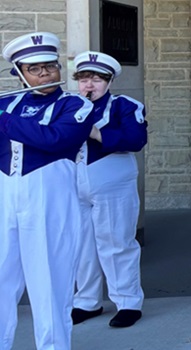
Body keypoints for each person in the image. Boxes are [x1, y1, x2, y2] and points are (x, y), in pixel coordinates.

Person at [0, 31, 94, 350]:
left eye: (50, 66)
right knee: (1, 278)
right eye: (35, 69)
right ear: (20, 74)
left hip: (49, 194)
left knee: (49, 279)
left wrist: (5, 122)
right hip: (5, 193)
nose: (44, 74)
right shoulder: (7, 103)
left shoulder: (75, 103)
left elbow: (55, 139)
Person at [70, 50, 149, 328]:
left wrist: (92, 130)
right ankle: (86, 301)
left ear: (109, 81)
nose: (88, 86)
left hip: (112, 181)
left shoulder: (125, 105)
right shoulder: (68, 104)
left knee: (116, 242)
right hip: (73, 181)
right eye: (83, 79)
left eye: (96, 79)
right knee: (80, 245)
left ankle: (127, 302)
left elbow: (136, 139)